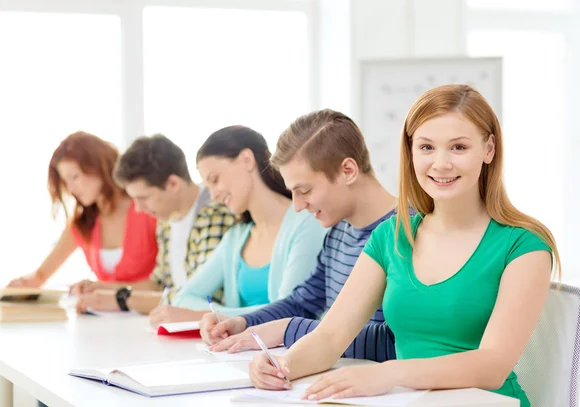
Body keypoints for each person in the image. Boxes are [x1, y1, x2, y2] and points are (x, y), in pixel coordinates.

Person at [248, 85, 561, 407]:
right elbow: (330, 337)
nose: (440, 163)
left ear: (489, 149)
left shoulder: (525, 245)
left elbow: (492, 365)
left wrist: (390, 374)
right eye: (426, 147)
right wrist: (283, 364)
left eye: (458, 147)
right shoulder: (391, 237)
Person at [199, 109, 401, 364]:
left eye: (304, 190)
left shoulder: (410, 232)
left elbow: (397, 340)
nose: (297, 206)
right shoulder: (339, 233)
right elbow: (303, 302)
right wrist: (244, 322)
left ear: (348, 171)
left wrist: (287, 329)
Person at [150, 125, 326, 327]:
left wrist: (211, 316)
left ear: (247, 160)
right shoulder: (236, 237)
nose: (214, 194)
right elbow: (184, 297)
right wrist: (217, 317)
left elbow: (290, 311)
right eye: (208, 187)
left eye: (215, 180)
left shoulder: (307, 223)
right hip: (242, 354)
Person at [74, 134, 236, 315]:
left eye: (143, 198)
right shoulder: (167, 221)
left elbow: (203, 298)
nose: (138, 208)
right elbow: (159, 284)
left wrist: (121, 299)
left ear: (173, 183)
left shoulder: (214, 213)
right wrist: (105, 288)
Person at [8, 131, 158, 289]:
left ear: (98, 166)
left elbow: (163, 284)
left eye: (74, 176)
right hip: (104, 314)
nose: (71, 188)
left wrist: (101, 289)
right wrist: (19, 286)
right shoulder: (83, 224)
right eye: (66, 181)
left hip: (153, 312)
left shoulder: (147, 209)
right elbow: (40, 276)